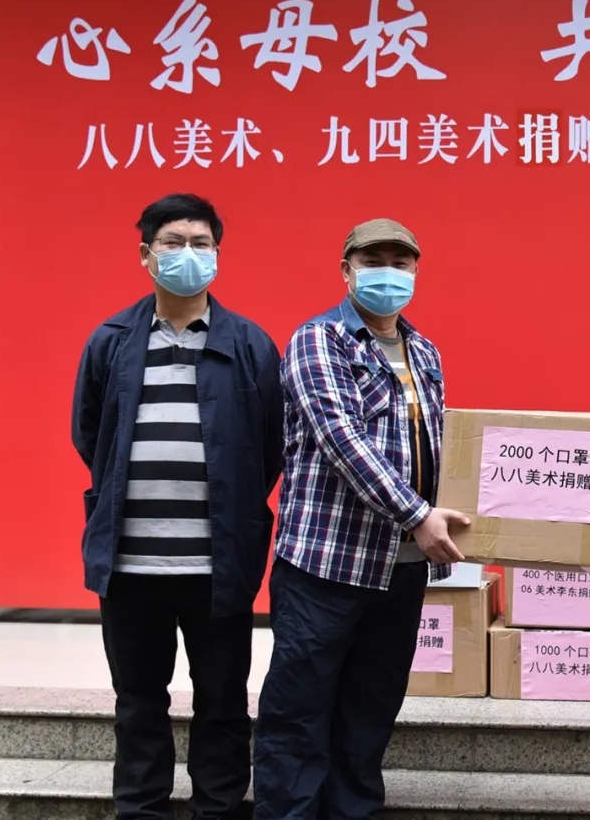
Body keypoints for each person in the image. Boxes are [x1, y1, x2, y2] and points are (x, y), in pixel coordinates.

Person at [72, 193, 284, 820]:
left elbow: (269, 445)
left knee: (222, 700)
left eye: (201, 243)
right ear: (146, 254)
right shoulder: (111, 341)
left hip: (217, 564)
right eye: (173, 242)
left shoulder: (249, 344)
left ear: (218, 255)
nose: (188, 254)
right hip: (130, 564)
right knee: (138, 698)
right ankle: (141, 809)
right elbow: (90, 435)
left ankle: (218, 808)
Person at [252, 218, 470, 820]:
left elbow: (441, 447)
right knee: (298, 715)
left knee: (370, 713)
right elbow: (340, 438)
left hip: (402, 569)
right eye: (373, 261)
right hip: (327, 565)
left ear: (416, 272)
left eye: (401, 263)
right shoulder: (319, 340)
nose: (388, 274)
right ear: (346, 270)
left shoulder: (424, 352)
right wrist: (418, 513)